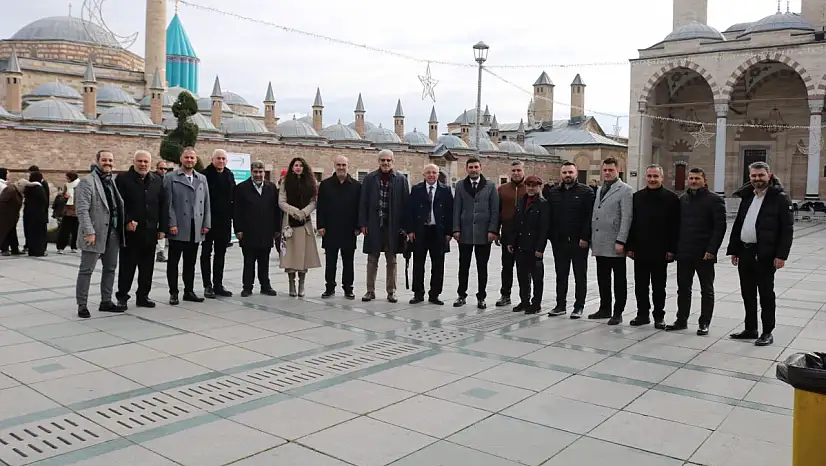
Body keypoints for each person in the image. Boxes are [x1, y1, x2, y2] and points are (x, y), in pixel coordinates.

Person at [727, 162, 794, 346]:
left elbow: (787, 230)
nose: (757, 179)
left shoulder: (779, 198)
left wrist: (781, 256)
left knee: (765, 294)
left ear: (769, 175)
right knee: (747, 292)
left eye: (761, 175)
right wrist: (734, 249)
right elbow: (739, 224)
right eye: (754, 176)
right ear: (750, 177)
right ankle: (750, 328)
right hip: (745, 252)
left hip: (765, 254)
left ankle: (767, 331)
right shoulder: (748, 197)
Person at [667, 167, 727, 335]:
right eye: (691, 178)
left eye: (697, 179)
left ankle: (704, 322)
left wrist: (712, 250)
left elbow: (720, 227)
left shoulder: (714, 200)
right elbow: (676, 226)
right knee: (683, 289)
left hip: (704, 253)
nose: (693, 181)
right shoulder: (683, 199)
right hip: (685, 252)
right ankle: (681, 320)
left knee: (706, 289)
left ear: (704, 180)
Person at [626, 164, 680, 329]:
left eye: (655, 176)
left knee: (659, 287)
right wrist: (630, 246)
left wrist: (672, 250)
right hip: (640, 250)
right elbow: (631, 224)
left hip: (661, 251)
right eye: (649, 176)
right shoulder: (637, 197)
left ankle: (659, 316)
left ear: (661, 178)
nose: (652, 179)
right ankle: (642, 314)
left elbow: (675, 227)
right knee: (640, 285)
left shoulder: (672, 199)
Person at [74, 150, 126, 318]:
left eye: (110, 160)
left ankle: (106, 301)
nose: (108, 163)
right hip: (95, 233)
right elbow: (81, 210)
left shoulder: (112, 181)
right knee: (86, 270)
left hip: (113, 232)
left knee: (110, 269)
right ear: (97, 161)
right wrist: (89, 231)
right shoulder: (87, 182)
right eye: (104, 160)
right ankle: (82, 304)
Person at [115, 150, 166, 309]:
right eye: (140, 161)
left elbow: (162, 205)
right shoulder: (123, 179)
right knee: (127, 266)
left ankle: (143, 296)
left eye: (146, 162)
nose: (143, 164)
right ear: (134, 161)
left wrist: (162, 228)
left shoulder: (156, 180)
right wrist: (127, 220)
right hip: (131, 232)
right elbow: (118, 203)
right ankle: (122, 296)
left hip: (150, 231)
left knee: (147, 267)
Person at [358, 149, 410, 303]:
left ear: (392, 161)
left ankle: (391, 291)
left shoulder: (400, 179)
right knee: (372, 259)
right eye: (383, 160)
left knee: (391, 260)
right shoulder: (369, 179)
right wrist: (363, 223)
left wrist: (405, 227)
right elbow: (363, 202)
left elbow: (405, 205)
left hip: (392, 226)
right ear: (378, 161)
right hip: (374, 225)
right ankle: (370, 290)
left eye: (388, 160)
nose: (385, 163)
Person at [545, 161, 595, 318]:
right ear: (561, 174)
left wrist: (585, 237)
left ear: (576, 173)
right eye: (565, 172)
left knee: (580, 275)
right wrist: (552, 237)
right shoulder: (553, 192)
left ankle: (579, 306)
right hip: (559, 241)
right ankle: (560, 305)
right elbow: (550, 217)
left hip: (579, 241)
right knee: (561, 274)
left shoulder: (586, 192)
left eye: (570, 172)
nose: (567, 175)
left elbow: (590, 217)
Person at [164, 147, 211, 305]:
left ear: (196, 160)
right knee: (173, 262)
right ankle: (173, 292)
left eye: (192, 158)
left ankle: (189, 291)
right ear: (181, 159)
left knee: (190, 262)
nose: (189, 160)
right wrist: (171, 223)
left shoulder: (202, 178)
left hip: (195, 226)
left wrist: (206, 223)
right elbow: (167, 203)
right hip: (178, 226)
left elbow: (206, 203)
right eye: (187, 157)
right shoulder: (170, 177)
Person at [589, 157, 633, 324]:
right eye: (605, 170)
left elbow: (626, 217)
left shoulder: (625, 190)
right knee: (603, 278)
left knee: (619, 280)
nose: (607, 173)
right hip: (600, 242)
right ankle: (604, 308)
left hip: (615, 243)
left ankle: (618, 311)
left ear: (618, 170)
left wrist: (621, 240)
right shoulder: (600, 189)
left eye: (610, 170)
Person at [453, 157, 500, 309]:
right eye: (471, 167)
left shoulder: (490, 186)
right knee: (463, 266)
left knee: (482, 267)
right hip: (465, 233)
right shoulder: (460, 185)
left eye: (476, 167)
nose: (473, 170)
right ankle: (461, 295)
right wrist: (456, 229)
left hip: (484, 233)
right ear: (466, 169)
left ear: (481, 168)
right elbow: (456, 209)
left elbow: (495, 210)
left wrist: (493, 230)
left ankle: (481, 296)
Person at [405, 163, 453, 305]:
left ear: (438, 175)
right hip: (421, 230)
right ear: (424, 175)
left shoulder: (445, 190)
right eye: (428, 172)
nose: (431, 175)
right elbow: (410, 211)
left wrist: (449, 232)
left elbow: (450, 212)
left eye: (434, 172)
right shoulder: (416, 189)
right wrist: (410, 230)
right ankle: (418, 293)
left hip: (438, 231)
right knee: (418, 263)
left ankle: (435, 294)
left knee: (438, 264)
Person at [317, 155, 361, 299]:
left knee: (348, 261)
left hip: (349, 230)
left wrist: (358, 226)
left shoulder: (356, 186)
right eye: (338, 165)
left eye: (344, 165)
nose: (341, 167)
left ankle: (348, 288)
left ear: (348, 166)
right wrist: (320, 225)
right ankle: (329, 287)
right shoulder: (325, 185)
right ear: (334, 166)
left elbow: (359, 208)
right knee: (331, 261)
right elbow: (321, 206)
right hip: (330, 229)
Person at [234, 160, 280, 297]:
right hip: (248, 231)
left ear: (264, 172)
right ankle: (247, 287)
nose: (258, 174)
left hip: (266, 231)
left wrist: (276, 228)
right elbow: (236, 210)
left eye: (260, 172)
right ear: (251, 172)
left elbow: (276, 210)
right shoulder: (241, 188)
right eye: (255, 172)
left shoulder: (271, 188)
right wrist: (238, 229)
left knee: (264, 261)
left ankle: (265, 286)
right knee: (249, 261)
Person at [506, 175, 549, 314]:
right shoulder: (521, 201)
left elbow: (544, 228)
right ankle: (524, 300)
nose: (531, 188)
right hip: (521, 244)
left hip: (534, 246)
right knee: (522, 275)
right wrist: (511, 241)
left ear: (539, 187)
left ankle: (536, 303)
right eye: (529, 185)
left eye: (534, 186)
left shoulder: (543, 204)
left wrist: (540, 248)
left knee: (537, 277)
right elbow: (515, 222)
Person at [279, 157, 322, 297]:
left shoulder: (311, 183)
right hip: (289, 225)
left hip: (305, 224)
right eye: (295, 165)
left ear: (304, 168)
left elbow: (314, 201)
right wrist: (295, 212)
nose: (298, 167)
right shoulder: (285, 183)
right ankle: (291, 284)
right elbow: (281, 202)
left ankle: (301, 284)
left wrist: (304, 212)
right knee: (290, 256)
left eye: (300, 165)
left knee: (303, 256)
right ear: (292, 167)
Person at [200, 149, 235, 298]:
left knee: (221, 253)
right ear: (212, 159)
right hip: (207, 221)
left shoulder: (229, 175)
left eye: (223, 159)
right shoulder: (204, 175)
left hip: (224, 221)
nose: (221, 161)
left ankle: (218, 284)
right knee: (206, 253)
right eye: (218, 158)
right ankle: (207, 285)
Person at [495, 161, 527, 307]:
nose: (516, 173)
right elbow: (497, 211)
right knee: (507, 266)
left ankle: (525, 297)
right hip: (507, 233)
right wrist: (496, 231)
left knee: (524, 268)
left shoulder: (530, 187)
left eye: (518, 170)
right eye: (513, 170)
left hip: (525, 234)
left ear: (523, 171)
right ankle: (505, 295)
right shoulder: (502, 189)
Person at [0, 179, 32, 256]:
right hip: (5, 216)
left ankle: (15, 249)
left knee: (12, 233)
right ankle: (5, 249)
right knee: (4, 232)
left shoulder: (17, 191)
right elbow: (2, 201)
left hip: (11, 217)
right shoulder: (10, 190)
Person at [23, 171, 49, 257]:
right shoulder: (39, 188)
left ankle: (31, 250)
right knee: (40, 233)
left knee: (31, 232)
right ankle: (39, 251)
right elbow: (44, 201)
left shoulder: (28, 187)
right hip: (39, 214)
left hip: (29, 213)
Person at [56, 171, 80, 254]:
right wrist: (64, 197)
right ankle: (61, 247)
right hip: (67, 211)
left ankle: (74, 246)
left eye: (67, 177)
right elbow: (63, 196)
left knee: (75, 230)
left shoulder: (80, 185)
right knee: (64, 230)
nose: (66, 179)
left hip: (76, 211)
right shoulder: (67, 185)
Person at [0, 168, 20, 256]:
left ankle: (14, 248)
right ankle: (5, 249)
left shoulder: (5, 184)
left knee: (11, 230)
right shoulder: (2, 185)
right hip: (5, 211)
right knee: (5, 230)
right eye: (7, 173)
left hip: (9, 212)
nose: (9, 175)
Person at [155, 160, 170, 263]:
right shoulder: (154, 180)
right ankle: (158, 252)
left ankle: (160, 252)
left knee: (162, 232)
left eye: (165, 169)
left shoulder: (168, 179)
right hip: (156, 211)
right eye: (161, 168)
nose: (163, 171)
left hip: (165, 210)